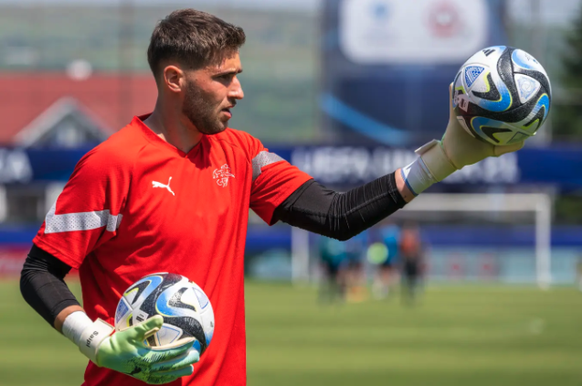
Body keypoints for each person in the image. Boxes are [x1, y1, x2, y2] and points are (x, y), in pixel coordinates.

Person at [19, 8, 525, 386]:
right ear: (174, 79)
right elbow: (39, 270)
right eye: (222, 77)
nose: (237, 91)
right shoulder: (113, 163)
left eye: (238, 75)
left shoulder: (242, 153)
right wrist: (98, 342)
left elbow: (337, 215)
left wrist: (444, 160)